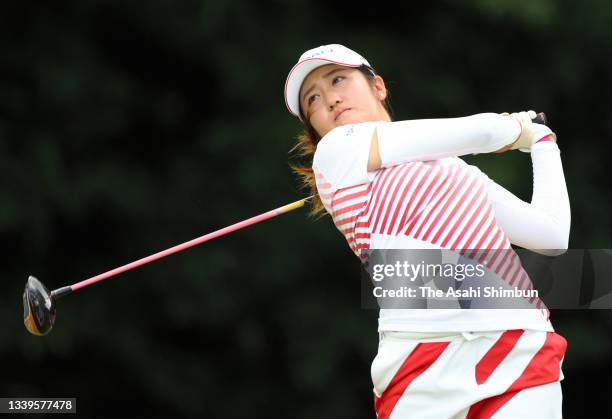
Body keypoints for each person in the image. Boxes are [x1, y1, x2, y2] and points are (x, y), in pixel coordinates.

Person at [284, 44, 571, 418]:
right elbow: (482, 132)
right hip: (419, 362)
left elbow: (551, 236)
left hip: (518, 345)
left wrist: (544, 146)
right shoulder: (336, 152)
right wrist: (515, 128)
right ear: (315, 125)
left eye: (338, 79)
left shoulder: (456, 171)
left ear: (379, 87)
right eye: (314, 100)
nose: (331, 99)